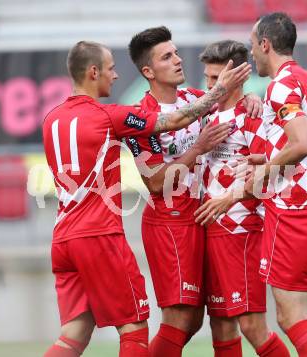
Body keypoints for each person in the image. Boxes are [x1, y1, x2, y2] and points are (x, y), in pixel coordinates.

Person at [42, 40, 251, 357]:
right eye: (111, 69)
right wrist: (220, 90)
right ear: (93, 72)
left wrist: (248, 98)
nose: (115, 76)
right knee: (135, 326)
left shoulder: (52, 120)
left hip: (63, 236)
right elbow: (172, 124)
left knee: (74, 334)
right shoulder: (109, 116)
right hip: (99, 234)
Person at [196, 13, 307, 357]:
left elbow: (302, 144)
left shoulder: (281, 86)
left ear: (265, 44)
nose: (252, 53)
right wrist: (265, 159)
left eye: (252, 44)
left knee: (290, 318)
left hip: (297, 208)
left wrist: (263, 173)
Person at [126, 26, 262, 357]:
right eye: (166, 56)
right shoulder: (139, 120)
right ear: (148, 71)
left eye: (175, 52)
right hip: (169, 223)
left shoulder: (193, 100)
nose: (177, 60)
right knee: (180, 319)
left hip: (203, 217)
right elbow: (156, 183)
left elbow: (224, 98)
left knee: (206, 319)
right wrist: (197, 149)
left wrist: (249, 97)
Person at [199, 40, 290, 357]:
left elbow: (273, 172)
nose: (212, 85)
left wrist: (231, 197)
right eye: (208, 78)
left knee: (252, 326)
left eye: (217, 78)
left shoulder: (254, 116)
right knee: (221, 324)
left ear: (239, 76)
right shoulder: (208, 114)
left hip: (243, 231)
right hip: (212, 230)